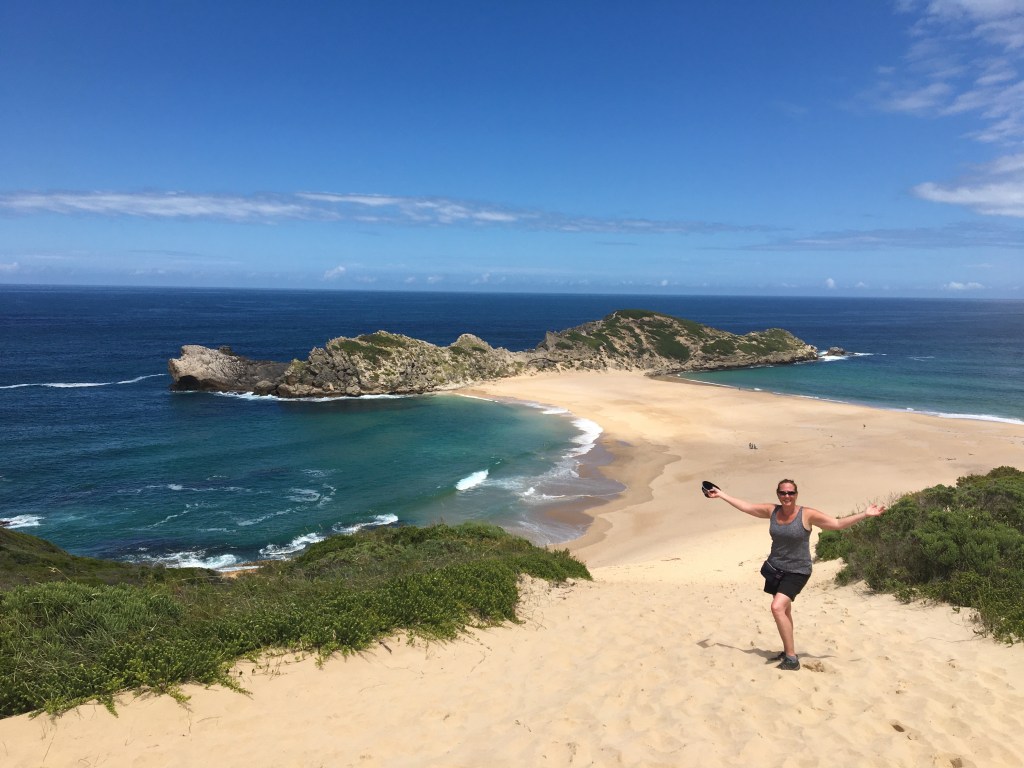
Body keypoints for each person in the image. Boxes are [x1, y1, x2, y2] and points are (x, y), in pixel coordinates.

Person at [705, 479, 885, 671]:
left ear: (796, 494)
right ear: (778, 494)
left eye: (791, 493)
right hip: (775, 568)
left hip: (798, 570)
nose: (787, 496)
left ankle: (791, 659)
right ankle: (788, 650)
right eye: (783, 493)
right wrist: (721, 494)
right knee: (785, 611)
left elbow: (837, 523)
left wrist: (864, 515)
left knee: (777, 608)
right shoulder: (772, 511)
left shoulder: (807, 515)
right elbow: (747, 507)